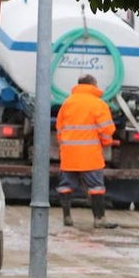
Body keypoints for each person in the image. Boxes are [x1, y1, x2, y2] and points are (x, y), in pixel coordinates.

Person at [55, 74, 118, 229]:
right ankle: (99, 219)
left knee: (66, 185)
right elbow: (106, 129)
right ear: (93, 85)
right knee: (96, 187)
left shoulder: (67, 103)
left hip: (69, 154)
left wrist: (65, 146)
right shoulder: (98, 104)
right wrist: (107, 142)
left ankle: (67, 217)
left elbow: (60, 129)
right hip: (90, 155)